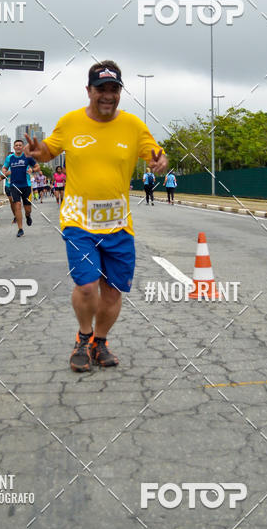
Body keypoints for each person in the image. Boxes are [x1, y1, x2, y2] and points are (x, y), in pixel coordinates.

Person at [25, 60, 167, 372]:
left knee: (113, 291)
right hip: (78, 221)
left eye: (114, 89)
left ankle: (99, 342)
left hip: (118, 225)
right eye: (101, 89)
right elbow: (49, 150)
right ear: (89, 90)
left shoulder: (133, 126)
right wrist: (39, 153)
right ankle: (83, 337)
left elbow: (156, 154)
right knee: (88, 285)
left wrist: (160, 162)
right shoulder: (70, 121)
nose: (107, 95)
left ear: (120, 92)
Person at [2, 140, 39, 238]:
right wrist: (5, 173)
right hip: (14, 186)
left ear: (22, 147)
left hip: (26, 185)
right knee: (17, 205)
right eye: (16, 145)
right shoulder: (9, 158)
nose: (18, 147)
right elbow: (4, 168)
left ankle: (28, 216)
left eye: (20, 145)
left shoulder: (28, 157)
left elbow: (37, 167)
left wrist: (32, 170)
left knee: (28, 209)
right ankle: (20, 229)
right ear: (14, 147)